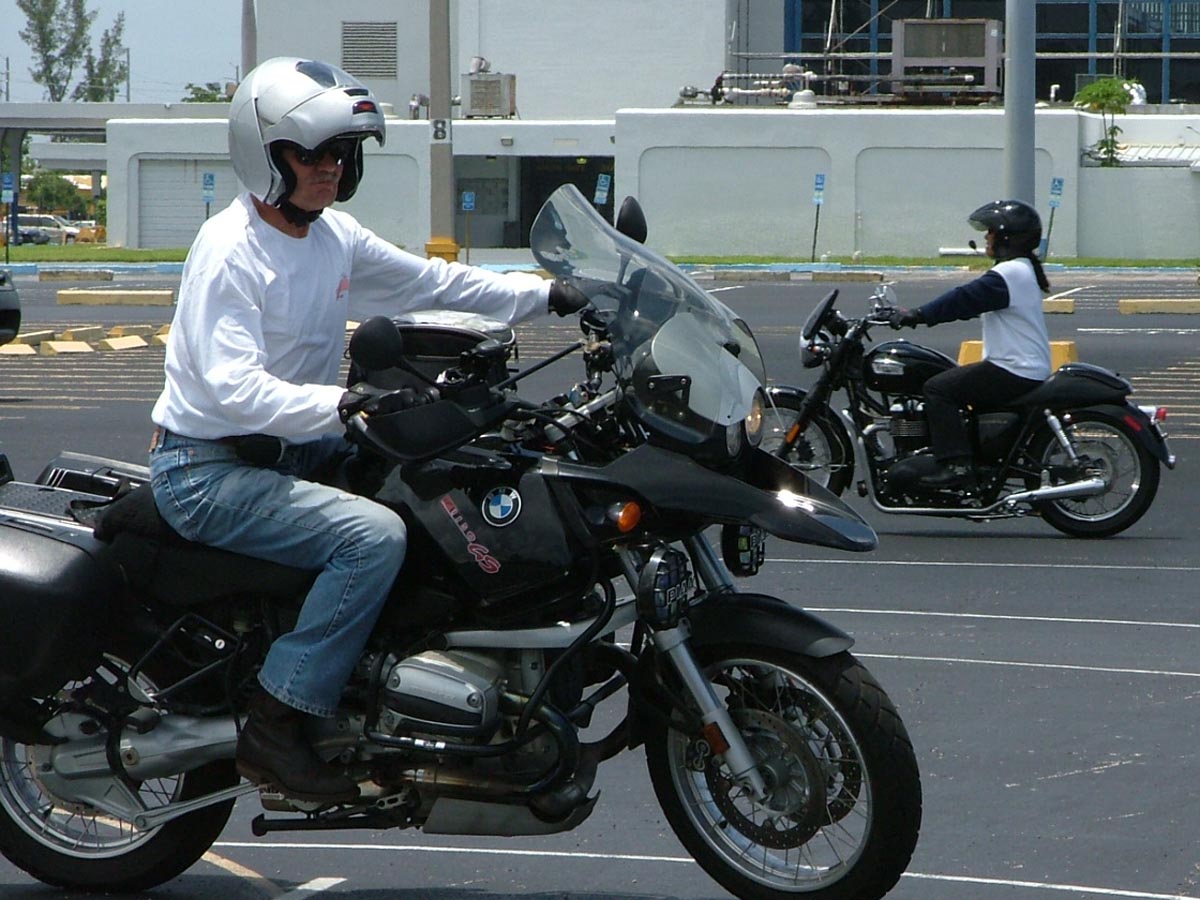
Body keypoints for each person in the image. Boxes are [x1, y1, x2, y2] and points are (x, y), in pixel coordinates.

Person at [148, 57, 586, 804]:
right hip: (208, 470)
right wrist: (346, 406)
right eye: (311, 153)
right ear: (266, 155)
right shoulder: (230, 252)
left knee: (441, 485)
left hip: (296, 451)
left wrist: (551, 296)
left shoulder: (333, 237)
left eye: (341, 153)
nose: (330, 167)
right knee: (372, 538)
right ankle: (277, 720)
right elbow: (232, 389)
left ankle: (392, 687)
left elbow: (435, 283)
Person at [887, 199, 1051, 489]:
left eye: (991, 231)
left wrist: (917, 315)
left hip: (1014, 369)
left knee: (938, 388)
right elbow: (971, 303)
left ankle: (956, 466)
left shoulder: (1010, 273)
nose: (987, 236)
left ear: (1007, 237)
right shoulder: (1021, 270)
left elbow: (962, 298)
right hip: (1020, 366)